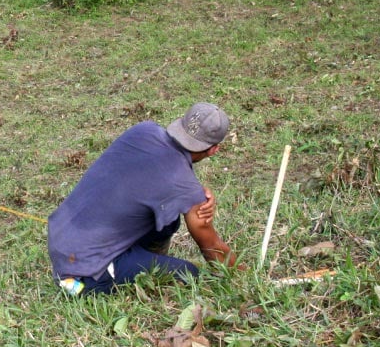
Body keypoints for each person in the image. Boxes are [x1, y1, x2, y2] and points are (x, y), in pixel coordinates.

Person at [47, 102, 239, 295]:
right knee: (190, 274)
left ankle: (138, 259)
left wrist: (192, 192)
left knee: (168, 220)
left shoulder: (143, 130)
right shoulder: (183, 186)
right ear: (214, 149)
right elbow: (212, 247)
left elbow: (153, 174)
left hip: (61, 243)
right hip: (84, 274)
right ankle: (112, 274)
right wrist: (243, 277)